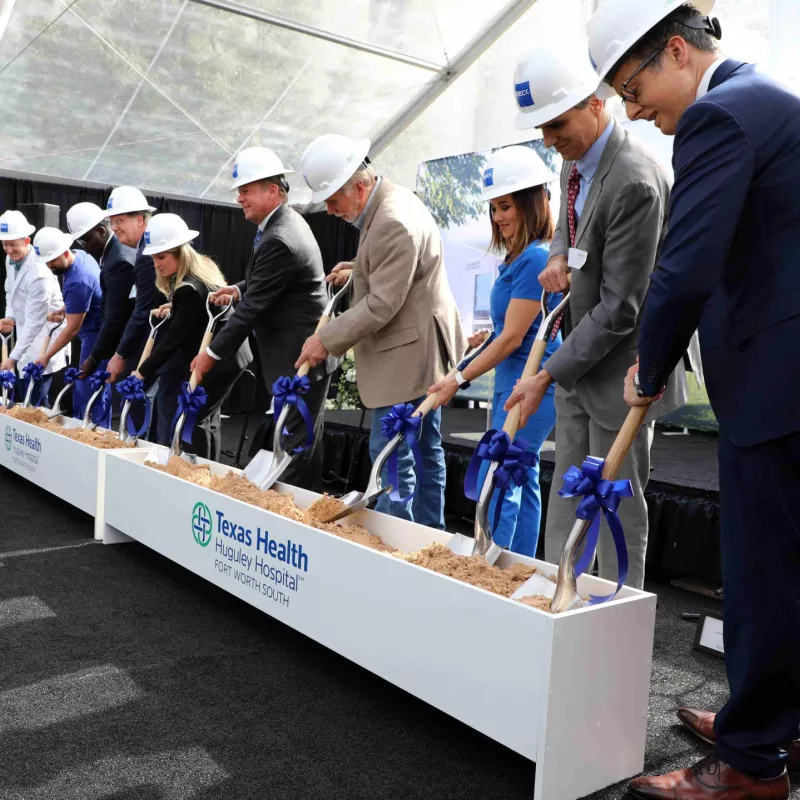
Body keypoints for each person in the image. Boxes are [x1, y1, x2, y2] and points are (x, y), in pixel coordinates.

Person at [587, 1, 800, 797]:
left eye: (634, 90)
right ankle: (774, 718)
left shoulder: (721, 114)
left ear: (677, 52)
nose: (635, 111)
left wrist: (648, 368)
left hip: (775, 380)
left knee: (764, 573)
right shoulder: (768, 101)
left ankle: (751, 764)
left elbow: (683, 269)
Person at [503, 41, 686, 588]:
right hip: (582, 369)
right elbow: (568, 225)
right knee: (568, 493)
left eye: (556, 124)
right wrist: (559, 253)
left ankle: (613, 622)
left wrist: (545, 375)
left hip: (625, 374)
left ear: (594, 103)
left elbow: (621, 310)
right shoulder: (574, 163)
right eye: (540, 129)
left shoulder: (633, 179)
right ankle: (563, 603)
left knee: (614, 511)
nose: (548, 140)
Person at [295, 134, 465, 530]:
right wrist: (358, 269)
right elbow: (401, 267)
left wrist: (326, 339)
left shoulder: (390, 220)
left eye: (334, 201)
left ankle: (398, 542)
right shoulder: (390, 201)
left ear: (359, 186)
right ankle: (428, 538)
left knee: (392, 451)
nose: (332, 211)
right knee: (423, 449)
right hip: (423, 347)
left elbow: (382, 304)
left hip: (410, 353)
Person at [426, 146, 561, 556]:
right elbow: (507, 331)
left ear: (532, 203)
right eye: (494, 208)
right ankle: (516, 562)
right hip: (511, 381)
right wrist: (489, 337)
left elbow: (515, 339)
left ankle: (493, 561)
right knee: (522, 470)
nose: (498, 216)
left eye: (506, 206)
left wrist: (457, 378)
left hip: (533, 384)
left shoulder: (536, 256)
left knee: (504, 469)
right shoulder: (517, 259)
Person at [190, 146, 334, 487]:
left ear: (273, 191)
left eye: (246, 190)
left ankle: (290, 526)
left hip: (299, 359)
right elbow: (267, 283)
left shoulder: (280, 237)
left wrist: (209, 356)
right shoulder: (282, 224)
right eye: (239, 191)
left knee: (295, 448)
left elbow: (252, 310)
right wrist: (238, 290)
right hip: (294, 354)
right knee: (300, 443)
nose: (240, 198)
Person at [131, 214, 251, 460]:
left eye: (162, 256)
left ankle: (199, 473)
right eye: (154, 257)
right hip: (232, 353)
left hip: (220, 357)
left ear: (180, 253)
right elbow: (195, 311)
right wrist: (174, 309)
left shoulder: (187, 288)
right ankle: (206, 469)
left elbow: (173, 339)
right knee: (207, 416)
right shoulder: (201, 267)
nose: (156, 264)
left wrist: (142, 371)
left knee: (195, 417)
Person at [31, 227, 103, 420]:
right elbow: (87, 297)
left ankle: (94, 439)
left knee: (88, 393)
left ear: (65, 252)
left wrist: (46, 356)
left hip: (95, 335)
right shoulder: (80, 255)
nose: (50, 265)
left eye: (53, 260)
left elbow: (72, 329)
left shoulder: (78, 280)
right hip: (95, 328)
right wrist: (67, 308)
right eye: (47, 261)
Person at [0, 210, 67, 405]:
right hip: (24, 332)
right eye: (5, 244)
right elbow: (10, 290)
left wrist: (12, 358)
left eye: (13, 244)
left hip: (43, 337)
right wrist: (10, 317)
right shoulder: (10, 260)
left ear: (27, 241)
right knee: (23, 398)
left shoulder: (40, 272)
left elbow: (35, 322)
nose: (9, 250)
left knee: (37, 401)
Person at [101, 186, 164, 384]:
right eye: (112, 222)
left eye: (120, 221)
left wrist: (120, 355)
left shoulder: (147, 254)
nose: (115, 227)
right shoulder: (144, 249)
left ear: (140, 219)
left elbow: (143, 309)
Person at [71, 202, 137, 381]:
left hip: (126, 347)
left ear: (101, 232)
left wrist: (93, 358)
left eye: (86, 239)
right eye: (80, 242)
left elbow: (116, 315)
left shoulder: (119, 261)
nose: (83, 247)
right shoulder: (111, 255)